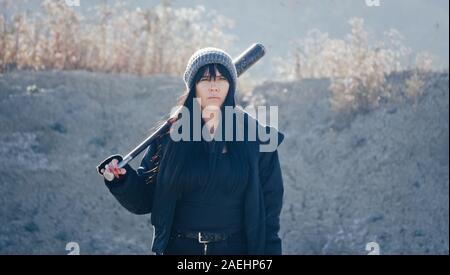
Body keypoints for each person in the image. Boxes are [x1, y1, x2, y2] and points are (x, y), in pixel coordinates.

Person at [97, 47, 285, 255]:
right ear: (193, 87)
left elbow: (270, 212)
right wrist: (123, 181)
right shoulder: (169, 138)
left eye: (221, 79)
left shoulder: (256, 139)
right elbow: (145, 200)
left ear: (230, 86)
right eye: (205, 80)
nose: (214, 87)